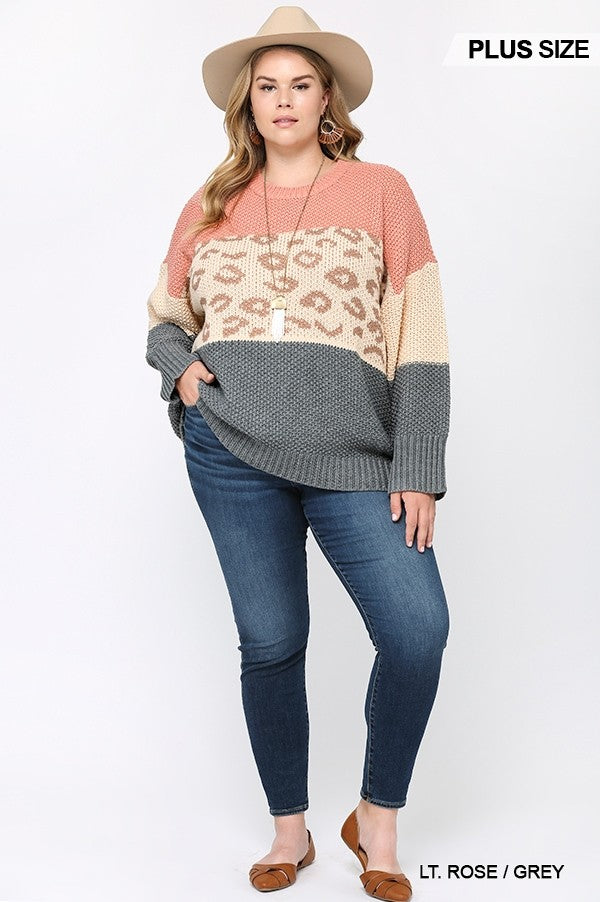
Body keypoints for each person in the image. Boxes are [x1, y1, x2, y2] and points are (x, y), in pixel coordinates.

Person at [145, 7, 451, 899]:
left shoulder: (381, 190)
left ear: (327, 101)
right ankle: (291, 832)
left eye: (301, 84)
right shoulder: (210, 204)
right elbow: (164, 318)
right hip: (230, 453)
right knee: (272, 642)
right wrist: (183, 373)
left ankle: (376, 819)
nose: (283, 99)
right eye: (267, 86)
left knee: (417, 630)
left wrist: (418, 463)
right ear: (248, 103)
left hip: (355, 455)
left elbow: (420, 333)